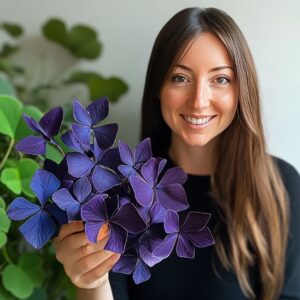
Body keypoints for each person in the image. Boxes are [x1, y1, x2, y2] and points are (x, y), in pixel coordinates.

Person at [53, 7, 300, 300]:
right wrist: (90, 281)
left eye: (220, 79)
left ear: (241, 90)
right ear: (159, 86)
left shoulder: (280, 185)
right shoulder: (118, 190)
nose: (199, 101)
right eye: (180, 78)